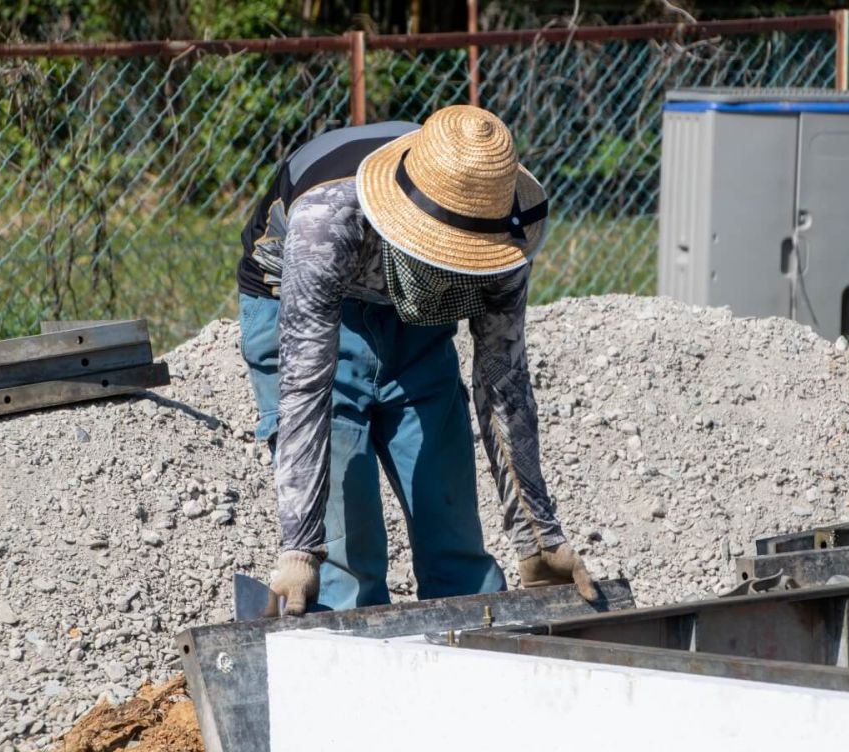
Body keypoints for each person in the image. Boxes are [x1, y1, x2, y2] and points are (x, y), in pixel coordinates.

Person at [237, 105, 597, 616]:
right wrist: (300, 546)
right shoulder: (327, 222)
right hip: (304, 308)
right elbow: (306, 389)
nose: (465, 264)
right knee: (347, 563)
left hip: (415, 317)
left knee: (450, 530)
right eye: (449, 254)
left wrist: (538, 535)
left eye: (467, 259)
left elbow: (504, 382)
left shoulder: (497, 220)